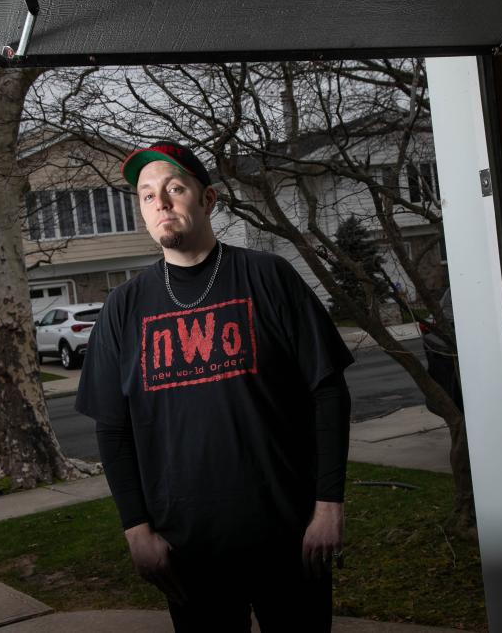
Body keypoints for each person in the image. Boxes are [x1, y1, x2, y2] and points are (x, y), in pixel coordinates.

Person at [75, 140, 354, 632]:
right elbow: (112, 429)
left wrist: (329, 506)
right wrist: (136, 529)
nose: (160, 202)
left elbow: (327, 393)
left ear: (208, 200)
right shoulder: (123, 307)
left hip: (290, 536)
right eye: (146, 195)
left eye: (174, 188)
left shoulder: (269, 277)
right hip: (187, 550)